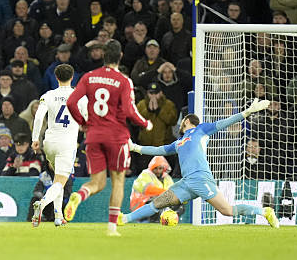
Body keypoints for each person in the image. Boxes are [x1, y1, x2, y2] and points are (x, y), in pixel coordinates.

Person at [121, 99, 280, 228]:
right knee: (157, 203)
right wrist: (135, 147)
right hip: (186, 183)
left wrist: (245, 113)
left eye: (182, 121)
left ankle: (264, 211)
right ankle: (125, 219)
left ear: (187, 121)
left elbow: (224, 123)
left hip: (201, 179)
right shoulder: (179, 142)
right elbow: (158, 150)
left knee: (228, 211)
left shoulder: (201, 130)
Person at [64, 40, 152, 236]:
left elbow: (71, 102)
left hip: (94, 135)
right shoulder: (123, 81)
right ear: (120, 56)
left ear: (103, 56)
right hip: (116, 137)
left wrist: (82, 123)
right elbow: (129, 110)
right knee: (118, 180)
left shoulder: (89, 77)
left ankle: (79, 195)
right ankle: (112, 227)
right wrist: (146, 123)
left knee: (98, 183)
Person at [31, 64, 79, 227]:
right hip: (67, 143)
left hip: (49, 142)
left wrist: (35, 138)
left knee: (58, 179)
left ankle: (58, 215)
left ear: (56, 78)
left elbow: (38, 117)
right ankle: (42, 204)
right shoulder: (78, 96)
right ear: (72, 77)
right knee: (60, 182)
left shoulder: (48, 95)